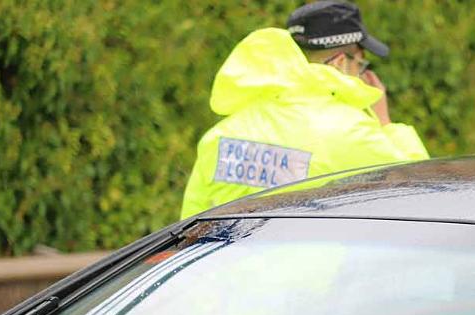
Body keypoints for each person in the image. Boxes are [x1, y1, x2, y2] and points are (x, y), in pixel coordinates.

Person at [180, 1, 429, 218]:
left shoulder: (221, 134)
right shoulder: (346, 130)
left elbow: (189, 225)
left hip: (226, 272)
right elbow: (419, 189)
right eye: (361, 64)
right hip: (310, 273)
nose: (362, 74)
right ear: (341, 63)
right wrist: (386, 122)